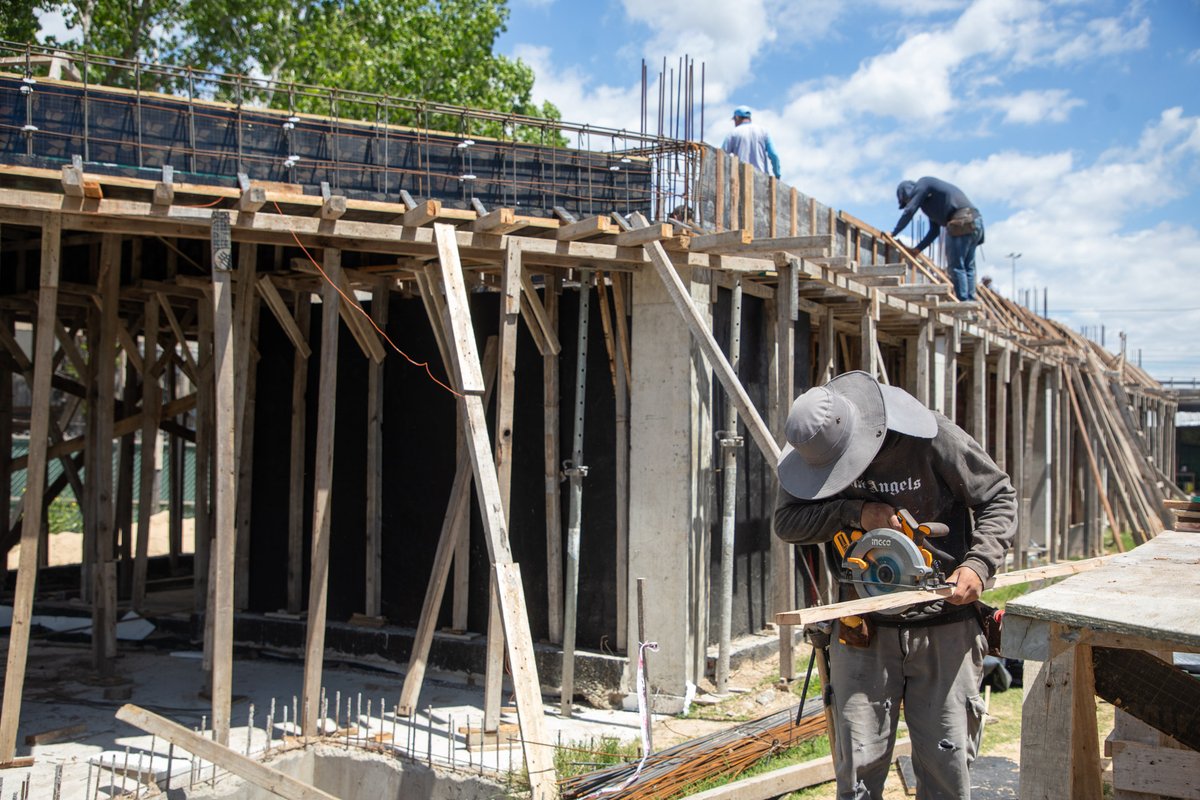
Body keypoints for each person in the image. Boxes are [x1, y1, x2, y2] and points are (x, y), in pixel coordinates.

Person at [774, 371, 1016, 800]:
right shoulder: (814, 449)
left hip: (944, 623)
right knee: (857, 772)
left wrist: (979, 565)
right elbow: (787, 522)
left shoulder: (932, 437)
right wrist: (855, 512)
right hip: (862, 627)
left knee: (946, 766)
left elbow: (998, 495)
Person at [893, 177, 985, 302]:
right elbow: (934, 231)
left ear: (908, 192)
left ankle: (964, 301)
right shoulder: (930, 204)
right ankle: (970, 300)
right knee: (968, 266)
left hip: (962, 222)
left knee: (956, 266)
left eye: (907, 200)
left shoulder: (923, 183)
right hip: (975, 221)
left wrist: (894, 233)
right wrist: (917, 249)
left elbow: (910, 211)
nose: (910, 203)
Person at [722, 106, 781, 178]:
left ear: (737, 118)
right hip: (762, 179)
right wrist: (777, 175)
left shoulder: (733, 133)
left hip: (741, 178)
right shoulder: (764, 131)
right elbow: (774, 155)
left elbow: (722, 155)